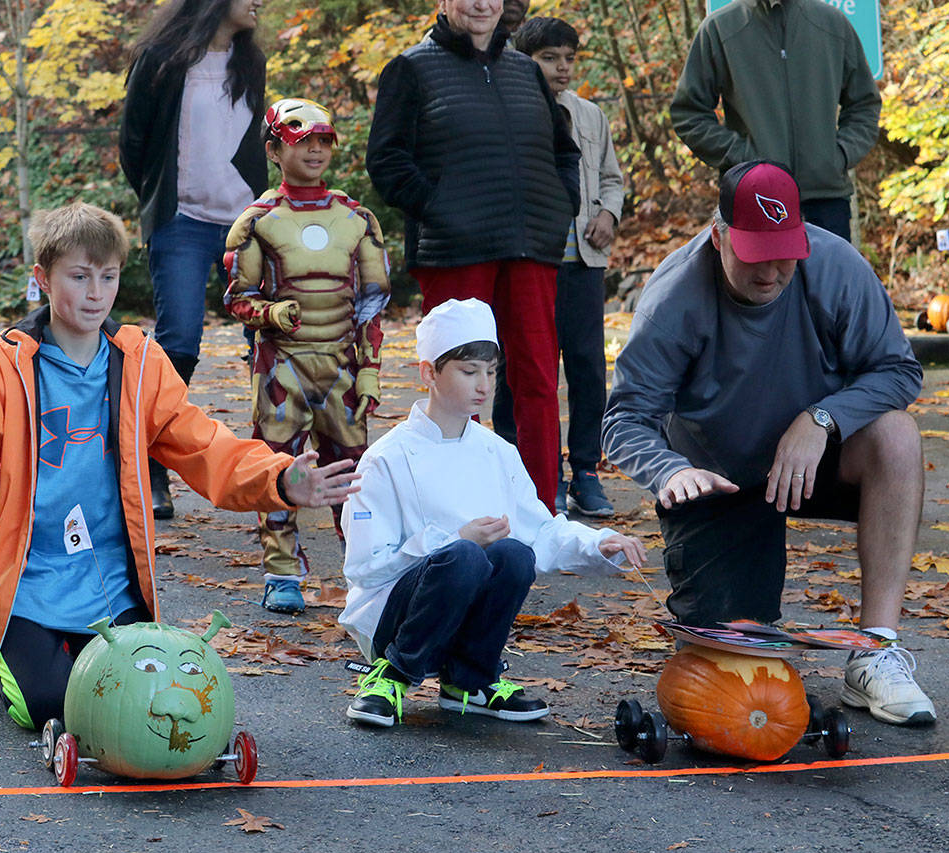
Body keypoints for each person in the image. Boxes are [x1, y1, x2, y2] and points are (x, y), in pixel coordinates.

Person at [0, 202, 360, 732]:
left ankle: (47, 652)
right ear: (42, 278)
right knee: (54, 708)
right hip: (25, 585)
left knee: (141, 700)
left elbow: (207, 447)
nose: (94, 292)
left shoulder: (141, 364)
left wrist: (280, 477)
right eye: (79, 277)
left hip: (109, 585)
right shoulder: (3, 365)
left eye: (107, 277)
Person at [601, 161, 936, 726]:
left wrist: (822, 418)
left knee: (897, 435)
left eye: (785, 252)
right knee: (732, 677)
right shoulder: (673, 298)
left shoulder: (835, 268)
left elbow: (899, 372)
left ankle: (875, 652)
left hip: (812, 461)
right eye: (755, 253)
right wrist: (668, 472)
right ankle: (733, 612)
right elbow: (623, 419)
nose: (772, 270)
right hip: (716, 481)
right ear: (718, 235)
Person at [339, 298, 647, 727]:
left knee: (515, 553)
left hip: (458, 617)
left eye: (491, 372)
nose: (484, 385)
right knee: (465, 556)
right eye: (469, 372)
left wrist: (599, 543)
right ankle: (391, 675)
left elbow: (540, 533)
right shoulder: (384, 459)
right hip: (395, 620)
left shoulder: (497, 453)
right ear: (428, 373)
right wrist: (454, 541)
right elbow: (364, 569)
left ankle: (469, 679)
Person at [365, 0, 580, 512]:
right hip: (454, 252)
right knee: (461, 383)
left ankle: (538, 511)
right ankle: (464, 509)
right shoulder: (410, 68)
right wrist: (441, 209)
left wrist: (560, 205)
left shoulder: (526, 71)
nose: (482, 4)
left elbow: (563, 152)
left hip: (531, 248)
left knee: (536, 379)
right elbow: (387, 159)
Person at [223, 98, 390, 615]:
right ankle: (281, 571)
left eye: (323, 142)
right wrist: (270, 316)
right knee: (278, 465)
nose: (315, 151)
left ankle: (363, 568)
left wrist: (369, 373)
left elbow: (372, 302)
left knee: (352, 470)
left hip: (341, 363)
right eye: (302, 142)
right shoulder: (258, 221)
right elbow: (236, 297)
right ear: (274, 150)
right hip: (281, 366)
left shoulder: (357, 218)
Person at [119, 0, 267, 520]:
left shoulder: (250, 64)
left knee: (268, 341)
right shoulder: (161, 57)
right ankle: (153, 460)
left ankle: (269, 465)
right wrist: (158, 200)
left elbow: (252, 145)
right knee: (179, 341)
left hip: (246, 223)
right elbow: (133, 143)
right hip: (181, 222)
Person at [497, 16, 622, 517]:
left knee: (589, 367)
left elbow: (612, 177)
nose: (563, 67)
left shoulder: (589, 115)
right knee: (525, 368)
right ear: (523, 60)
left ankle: (586, 472)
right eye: (550, 58)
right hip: (528, 263)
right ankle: (527, 471)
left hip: (583, 264)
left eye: (569, 58)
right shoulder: (506, 110)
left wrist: (609, 214)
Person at [669, 0, 880, 242]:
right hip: (755, 198)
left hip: (825, 201)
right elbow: (688, 113)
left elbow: (865, 103)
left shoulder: (832, 23)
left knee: (830, 279)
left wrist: (839, 155)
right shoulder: (720, 28)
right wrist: (742, 158)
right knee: (765, 281)